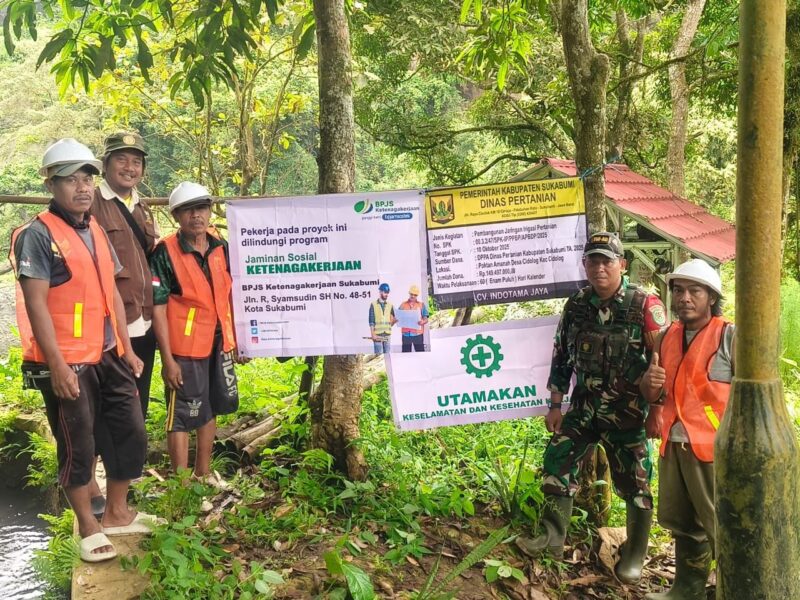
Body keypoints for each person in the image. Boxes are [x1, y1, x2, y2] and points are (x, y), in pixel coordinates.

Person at [10, 138, 157, 563]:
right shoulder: (37, 235)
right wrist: (56, 365)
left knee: (130, 428)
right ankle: (89, 527)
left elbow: (111, 292)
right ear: (51, 185)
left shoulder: (94, 229)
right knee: (78, 440)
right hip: (68, 358)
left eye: (87, 180)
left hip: (107, 351)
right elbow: (36, 303)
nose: (82, 188)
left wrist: (126, 347)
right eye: (71, 180)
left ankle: (117, 512)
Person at [516, 232, 666, 586]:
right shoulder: (577, 304)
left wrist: (659, 410)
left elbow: (664, 361)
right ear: (585, 265)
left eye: (606, 261)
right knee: (557, 459)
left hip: (628, 413)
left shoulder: (644, 304)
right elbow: (561, 356)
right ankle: (552, 539)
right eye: (593, 261)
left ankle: (634, 554)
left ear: (622, 265)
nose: (599, 268)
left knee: (637, 482)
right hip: (584, 408)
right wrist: (556, 404)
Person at [641, 259, 733, 600]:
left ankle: (737, 588)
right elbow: (651, 392)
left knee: (722, 526)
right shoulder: (666, 336)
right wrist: (649, 384)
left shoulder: (729, 335)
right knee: (684, 525)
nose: (685, 298)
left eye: (695, 291)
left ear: (712, 297)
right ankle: (687, 590)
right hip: (674, 444)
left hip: (713, 449)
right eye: (678, 291)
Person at [149, 182, 241, 491]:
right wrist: (168, 359)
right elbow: (158, 308)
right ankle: (181, 484)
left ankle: (204, 473)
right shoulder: (165, 252)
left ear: (210, 211)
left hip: (218, 342)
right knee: (182, 415)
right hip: (184, 348)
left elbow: (232, 295)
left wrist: (236, 339)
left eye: (201, 208)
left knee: (211, 406)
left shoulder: (219, 246)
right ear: (176, 215)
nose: (196, 216)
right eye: (187, 211)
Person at [89, 131, 159, 419]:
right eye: (121, 160)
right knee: (111, 405)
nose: (130, 168)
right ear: (105, 164)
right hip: (112, 325)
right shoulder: (91, 204)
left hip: (145, 320)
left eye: (136, 162)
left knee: (138, 403)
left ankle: (134, 450)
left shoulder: (142, 207)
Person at [399, 284, 429, 352]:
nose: (413, 296)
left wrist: (423, 322)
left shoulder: (421, 305)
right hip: (406, 334)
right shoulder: (403, 304)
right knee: (406, 355)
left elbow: (426, 319)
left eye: (415, 295)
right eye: (411, 294)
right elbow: (397, 316)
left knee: (420, 354)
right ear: (409, 293)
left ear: (417, 295)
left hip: (418, 334)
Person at [369, 283, 396, 353]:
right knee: (379, 355)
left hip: (387, 335)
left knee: (387, 355)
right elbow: (371, 321)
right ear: (380, 292)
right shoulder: (373, 304)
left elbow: (391, 322)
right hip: (377, 334)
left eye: (387, 293)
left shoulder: (390, 305)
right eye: (385, 292)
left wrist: (395, 321)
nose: (387, 294)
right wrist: (372, 334)